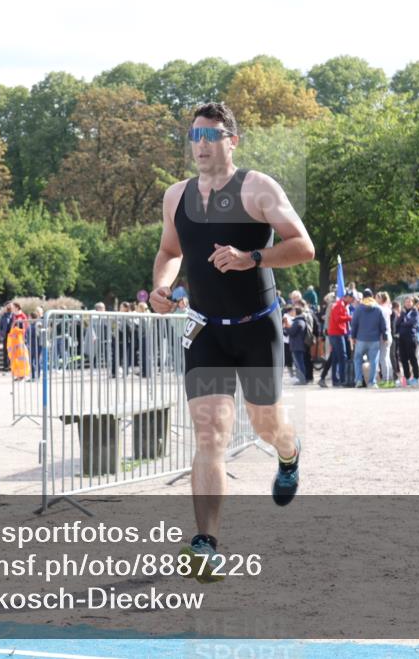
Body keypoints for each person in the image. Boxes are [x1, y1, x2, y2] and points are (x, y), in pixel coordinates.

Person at [148, 102, 314, 577]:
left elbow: (303, 246)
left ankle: (288, 454)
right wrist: (162, 286)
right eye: (194, 136)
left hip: (256, 326)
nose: (200, 145)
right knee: (210, 434)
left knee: (266, 425)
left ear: (232, 141)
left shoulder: (258, 187)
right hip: (204, 330)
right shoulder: (176, 196)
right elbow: (169, 250)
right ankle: (206, 543)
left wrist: (251, 257)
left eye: (210, 135)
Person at [349, 289, 386, 388]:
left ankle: (359, 381)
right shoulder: (378, 309)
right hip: (374, 339)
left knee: (357, 359)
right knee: (373, 361)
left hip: (361, 339)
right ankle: (372, 382)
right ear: (372, 296)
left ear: (363, 297)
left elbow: (354, 324)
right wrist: (385, 336)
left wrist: (353, 337)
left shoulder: (358, 309)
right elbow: (383, 324)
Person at [396, 296, 419, 386]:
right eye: (406, 302)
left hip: (411, 337)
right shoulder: (403, 312)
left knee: (412, 358)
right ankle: (407, 377)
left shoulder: (414, 312)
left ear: (412, 303)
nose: (408, 303)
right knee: (403, 358)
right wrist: (402, 321)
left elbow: (412, 323)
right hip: (402, 338)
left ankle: (417, 377)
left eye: (409, 302)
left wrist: (403, 324)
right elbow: (397, 323)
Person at [283, 306, 311, 384]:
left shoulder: (298, 321)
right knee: (299, 363)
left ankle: (302, 380)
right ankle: (301, 379)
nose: (292, 312)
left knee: (299, 364)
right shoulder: (300, 321)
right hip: (298, 345)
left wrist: (286, 326)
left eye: (293, 311)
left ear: (296, 312)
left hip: (297, 345)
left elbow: (291, 332)